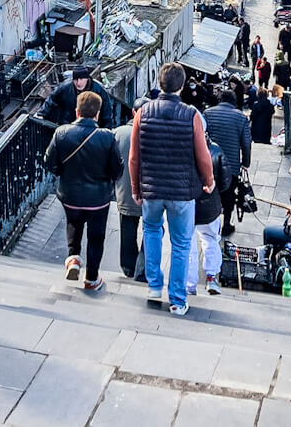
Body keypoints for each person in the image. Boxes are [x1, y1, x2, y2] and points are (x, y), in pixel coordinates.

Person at [130, 62, 215, 316]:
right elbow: (203, 155)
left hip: (152, 189)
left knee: (151, 232)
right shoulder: (191, 115)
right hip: (181, 191)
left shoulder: (143, 113)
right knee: (181, 243)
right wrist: (208, 180)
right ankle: (177, 299)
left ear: (160, 83)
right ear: (182, 86)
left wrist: (135, 187)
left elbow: (134, 156)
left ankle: (154, 287)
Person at [43, 91, 124, 292]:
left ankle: (73, 258)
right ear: (97, 114)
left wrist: (63, 173)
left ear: (77, 112)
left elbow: (49, 163)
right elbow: (117, 170)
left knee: (73, 223)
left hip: (69, 195)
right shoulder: (107, 137)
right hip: (98, 198)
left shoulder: (61, 133)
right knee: (96, 237)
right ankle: (92, 278)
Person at [204, 85, 252, 238]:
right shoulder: (241, 117)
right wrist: (246, 162)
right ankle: (226, 224)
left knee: (211, 192)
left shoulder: (208, 113)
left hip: (210, 162)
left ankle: (210, 223)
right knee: (229, 194)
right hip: (231, 164)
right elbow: (246, 143)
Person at [187, 128, 228, 296]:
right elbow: (225, 181)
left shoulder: (184, 148)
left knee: (188, 244)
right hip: (210, 205)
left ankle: (190, 284)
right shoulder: (216, 150)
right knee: (211, 239)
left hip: (188, 204)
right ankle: (211, 277)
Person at [113, 99, 146, 280]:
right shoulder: (155, 133)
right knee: (152, 229)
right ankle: (143, 267)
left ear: (133, 112)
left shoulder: (118, 133)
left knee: (127, 228)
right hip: (150, 192)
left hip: (125, 189)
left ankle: (128, 266)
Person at [42, 65, 114, 130]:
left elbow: (107, 113)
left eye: (81, 79)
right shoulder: (65, 87)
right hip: (68, 126)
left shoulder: (99, 90)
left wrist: (107, 129)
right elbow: (51, 100)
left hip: (92, 128)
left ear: (87, 78)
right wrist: (41, 114)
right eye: (76, 79)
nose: (78, 83)